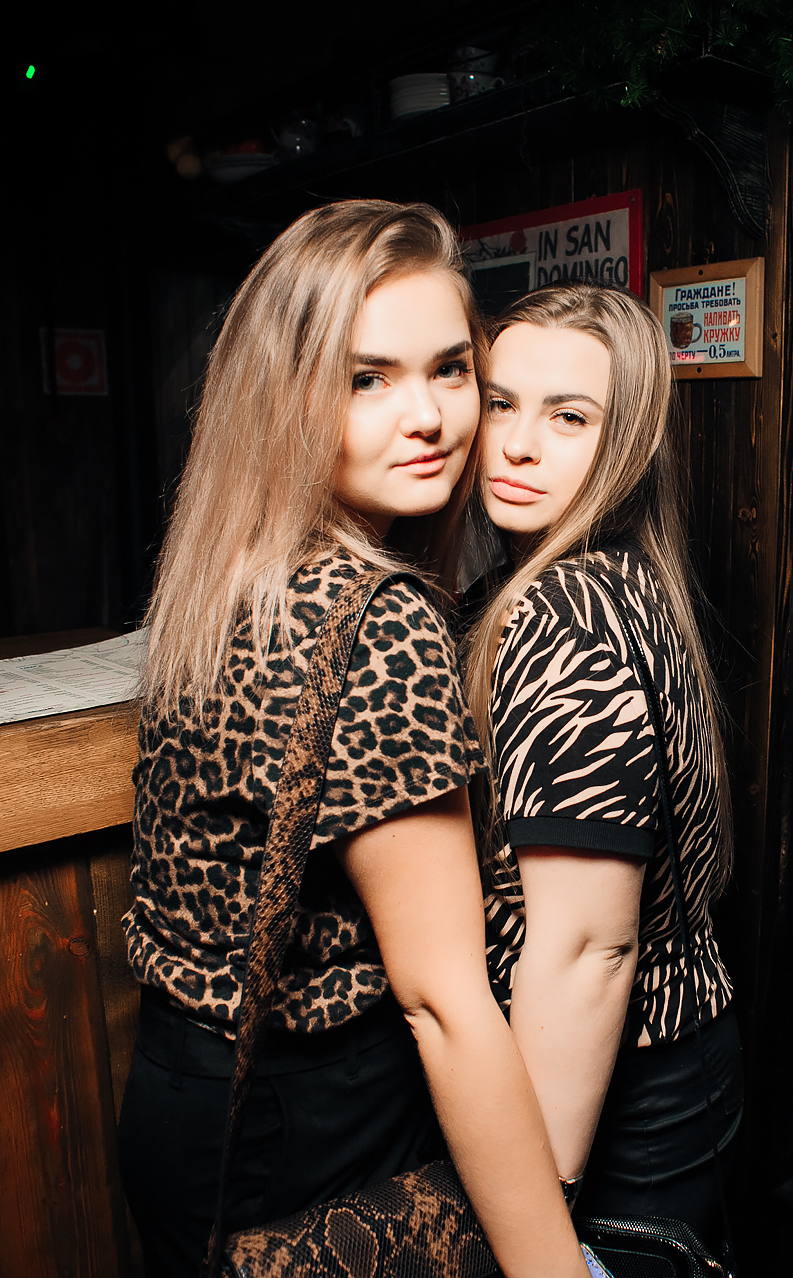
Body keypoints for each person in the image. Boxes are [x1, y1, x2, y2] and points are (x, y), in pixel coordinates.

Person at [118, 200, 585, 1278]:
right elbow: (446, 1007)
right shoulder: (378, 621)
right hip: (309, 1121)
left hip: (188, 1098)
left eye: (450, 369)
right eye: (366, 378)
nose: (428, 416)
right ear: (282, 397)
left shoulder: (229, 573)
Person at [462, 282, 743, 1259]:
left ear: (625, 441)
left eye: (568, 416)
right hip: (677, 1061)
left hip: (619, 1099)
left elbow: (588, 949)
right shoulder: (608, 575)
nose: (516, 444)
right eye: (501, 402)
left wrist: (534, 1214)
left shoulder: (563, 615)